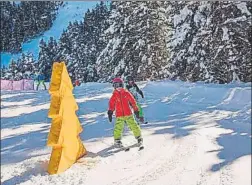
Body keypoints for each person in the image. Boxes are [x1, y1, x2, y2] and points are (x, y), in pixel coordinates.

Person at [107, 77, 143, 147]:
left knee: (134, 125)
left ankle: (139, 137)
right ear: (114, 86)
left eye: (119, 85)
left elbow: (133, 102)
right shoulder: (114, 95)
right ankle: (117, 140)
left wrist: (136, 110)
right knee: (118, 128)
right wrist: (110, 111)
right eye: (116, 85)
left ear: (122, 85)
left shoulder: (126, 93)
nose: (118, 87)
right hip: (119, 115)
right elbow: (111, 104)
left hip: (128, 114)